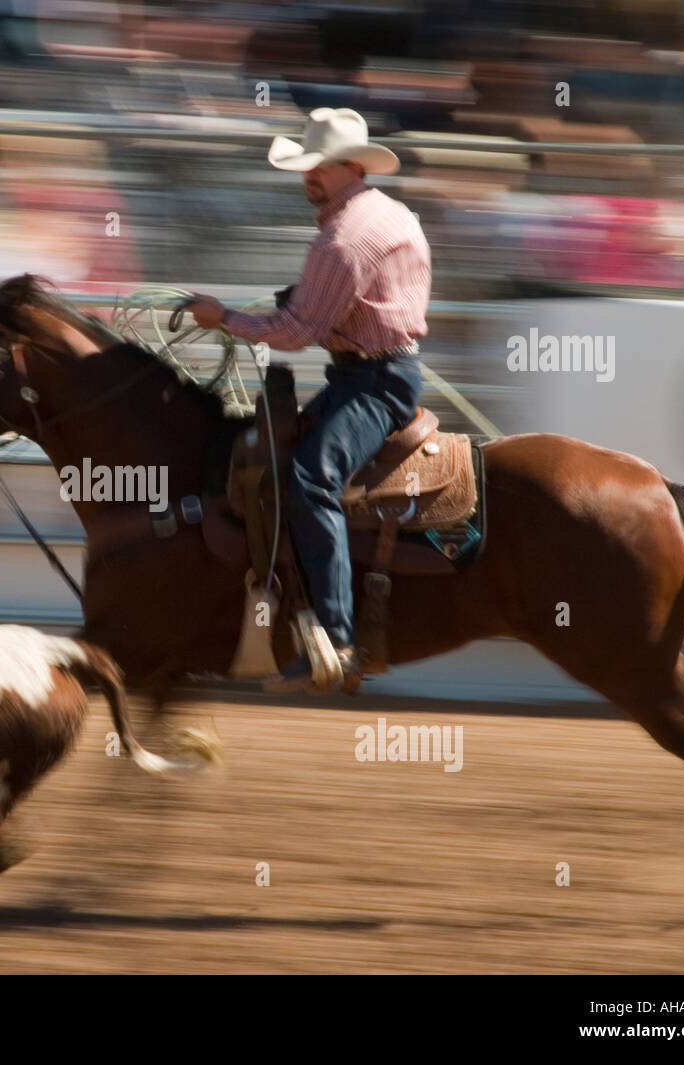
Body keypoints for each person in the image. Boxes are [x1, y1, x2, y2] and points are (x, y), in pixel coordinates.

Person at [185, 108, 431, 692]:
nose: (308, 177)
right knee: (276, 457)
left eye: (319, 167)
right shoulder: (388, 214)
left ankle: (337, 639)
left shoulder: (344, 238)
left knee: (312, 479)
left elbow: (295, 333)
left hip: (371, 384)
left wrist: (223, 319)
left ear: (351, 166)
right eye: (306, 167)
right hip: (373, 375)